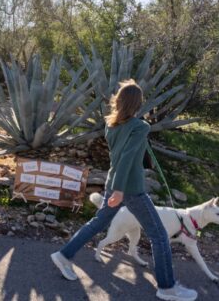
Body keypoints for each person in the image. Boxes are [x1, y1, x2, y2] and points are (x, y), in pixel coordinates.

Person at [50, 80, 198, 301]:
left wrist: (116, 188)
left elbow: (121, 157)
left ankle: (63, 255)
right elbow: (127, 158)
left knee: (97, 223)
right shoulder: (141, 127)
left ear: (118, 101)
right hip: (130, 188)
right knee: (159, 236)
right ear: (138, 104)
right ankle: (167, 287)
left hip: (114, 183)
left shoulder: (111, 125)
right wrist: (120, 190)